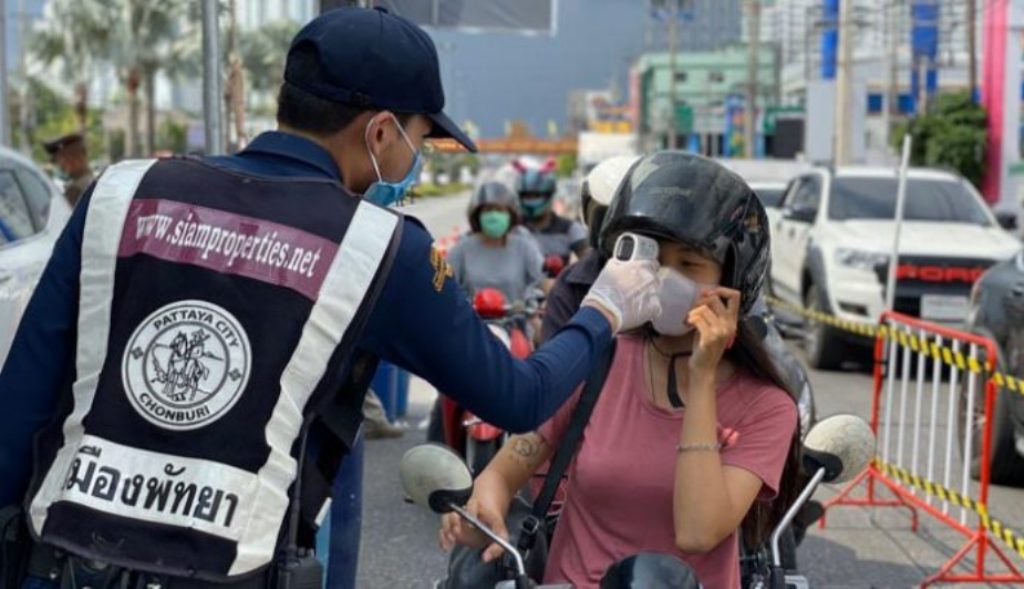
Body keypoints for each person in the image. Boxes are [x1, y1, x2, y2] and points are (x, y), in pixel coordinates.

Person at [0, 8, 663, 589]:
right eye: (419, 139)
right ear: (380, 133)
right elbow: (518, 397)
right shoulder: (379, 248)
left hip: (59, 563)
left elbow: (19, 407)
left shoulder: (122, 192)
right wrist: (603, 310)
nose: (415, 160)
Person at [439, 152, 801, 589]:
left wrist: (703, 379)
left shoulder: (766, 407)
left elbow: (698, 531)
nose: (663, 278)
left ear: (734, 281)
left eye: (688, 264)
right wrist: (488, 505)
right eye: (653, 259)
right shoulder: (597, 362)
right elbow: (505, 468)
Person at [540, 155, 637, 343]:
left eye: (628, 220)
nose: (618, 233)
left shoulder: (674, 278)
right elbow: (554, 362)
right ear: (588, 214)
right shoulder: (571, 285)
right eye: (606, 218)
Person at [446, 181, 545, 302]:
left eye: (499, 210)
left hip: (516, 318)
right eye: (488, 210)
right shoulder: (461, 250)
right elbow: (443, 286)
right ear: (478, 215)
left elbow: (544, 281)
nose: (493, 215)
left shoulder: (524, 247)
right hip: (472, 319)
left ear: (510, 215)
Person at [511, 157, 589, 270]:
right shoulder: (513, 228)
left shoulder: (569, 228)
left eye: (536, 195)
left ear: (549, 195)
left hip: (557, 286)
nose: (531, 200)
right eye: (527, 195)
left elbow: (589, 262)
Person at [42, 132, 94, 207]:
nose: (61, 166)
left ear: (72, 158)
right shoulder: (97, 183)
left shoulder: (75, 191)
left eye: (60, 160)